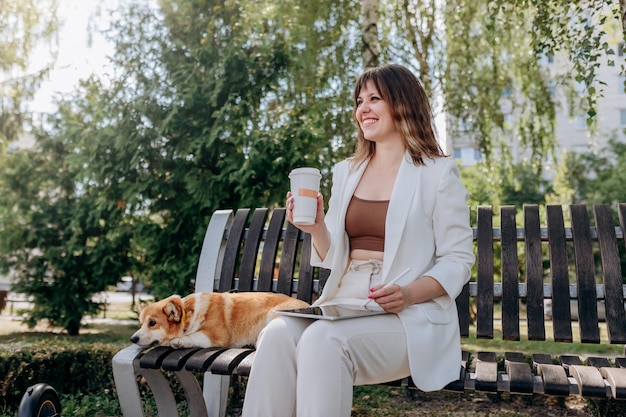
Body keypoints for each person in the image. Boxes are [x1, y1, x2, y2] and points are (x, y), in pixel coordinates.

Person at [241, 63, 475, 417]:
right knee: (276, 334)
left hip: (407, 315)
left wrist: (408, 293)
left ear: (403, 103)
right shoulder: (346, 171)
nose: (362, 108)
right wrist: (318, 227)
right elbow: (334, 255)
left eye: (374, 99)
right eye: (359, 100)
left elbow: (458, 260)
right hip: (344, 302)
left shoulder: (437, 173)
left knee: (322, 341)